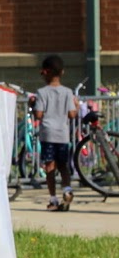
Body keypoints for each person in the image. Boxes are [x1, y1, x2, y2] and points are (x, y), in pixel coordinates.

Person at [34, 55, 79, 211]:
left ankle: (53, 199)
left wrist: (32, 105)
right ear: (62, 72)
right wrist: (77, 106)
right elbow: (72, 114)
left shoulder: (41, 92)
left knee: (49, 166)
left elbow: (39, 115)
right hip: (63, 134)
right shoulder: (68, 92)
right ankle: (67, 189)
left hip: (48, 134)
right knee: (63, 166)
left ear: (45, 72)